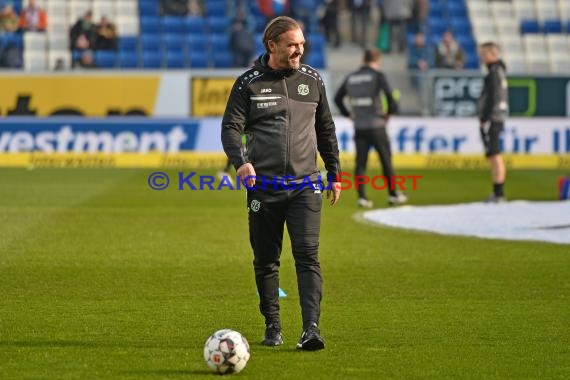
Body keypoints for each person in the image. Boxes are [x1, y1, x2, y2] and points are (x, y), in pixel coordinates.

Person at [221, 16, 341, 351]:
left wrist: (335, 172)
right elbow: (230, 128)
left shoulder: (312, 80)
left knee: (307, 256)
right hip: (264, 188)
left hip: (306, 185)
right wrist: (241, 162)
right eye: (292, 44)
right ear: (272, 45)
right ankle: (273, 326)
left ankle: (311, 330)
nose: (299, 50)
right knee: (266, 260)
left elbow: (326, 129)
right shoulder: (248, 84)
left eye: (301, 44)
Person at [334, 48, 407, 208]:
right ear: (377, 60)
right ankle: (394, 194)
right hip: (376, 125)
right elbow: (390, 97)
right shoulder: (378, 76)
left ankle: (362, 197)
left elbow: (337, 98)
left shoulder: (351, 77)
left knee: (360, 164)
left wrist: (348, 114)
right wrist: (389, 113)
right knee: (386, 161)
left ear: (363, 59)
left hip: (359, 126)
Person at [477, 42, 508, 203]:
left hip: (493, 117)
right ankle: (497, 192)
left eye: (484, 54)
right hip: (497, 116)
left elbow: (493, 98)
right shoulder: (499, 71)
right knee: (494, 155)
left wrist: (485, 118)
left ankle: (499, 192)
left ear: (493, 54)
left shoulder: (493, 73)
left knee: (495, 155)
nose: (482, 58)